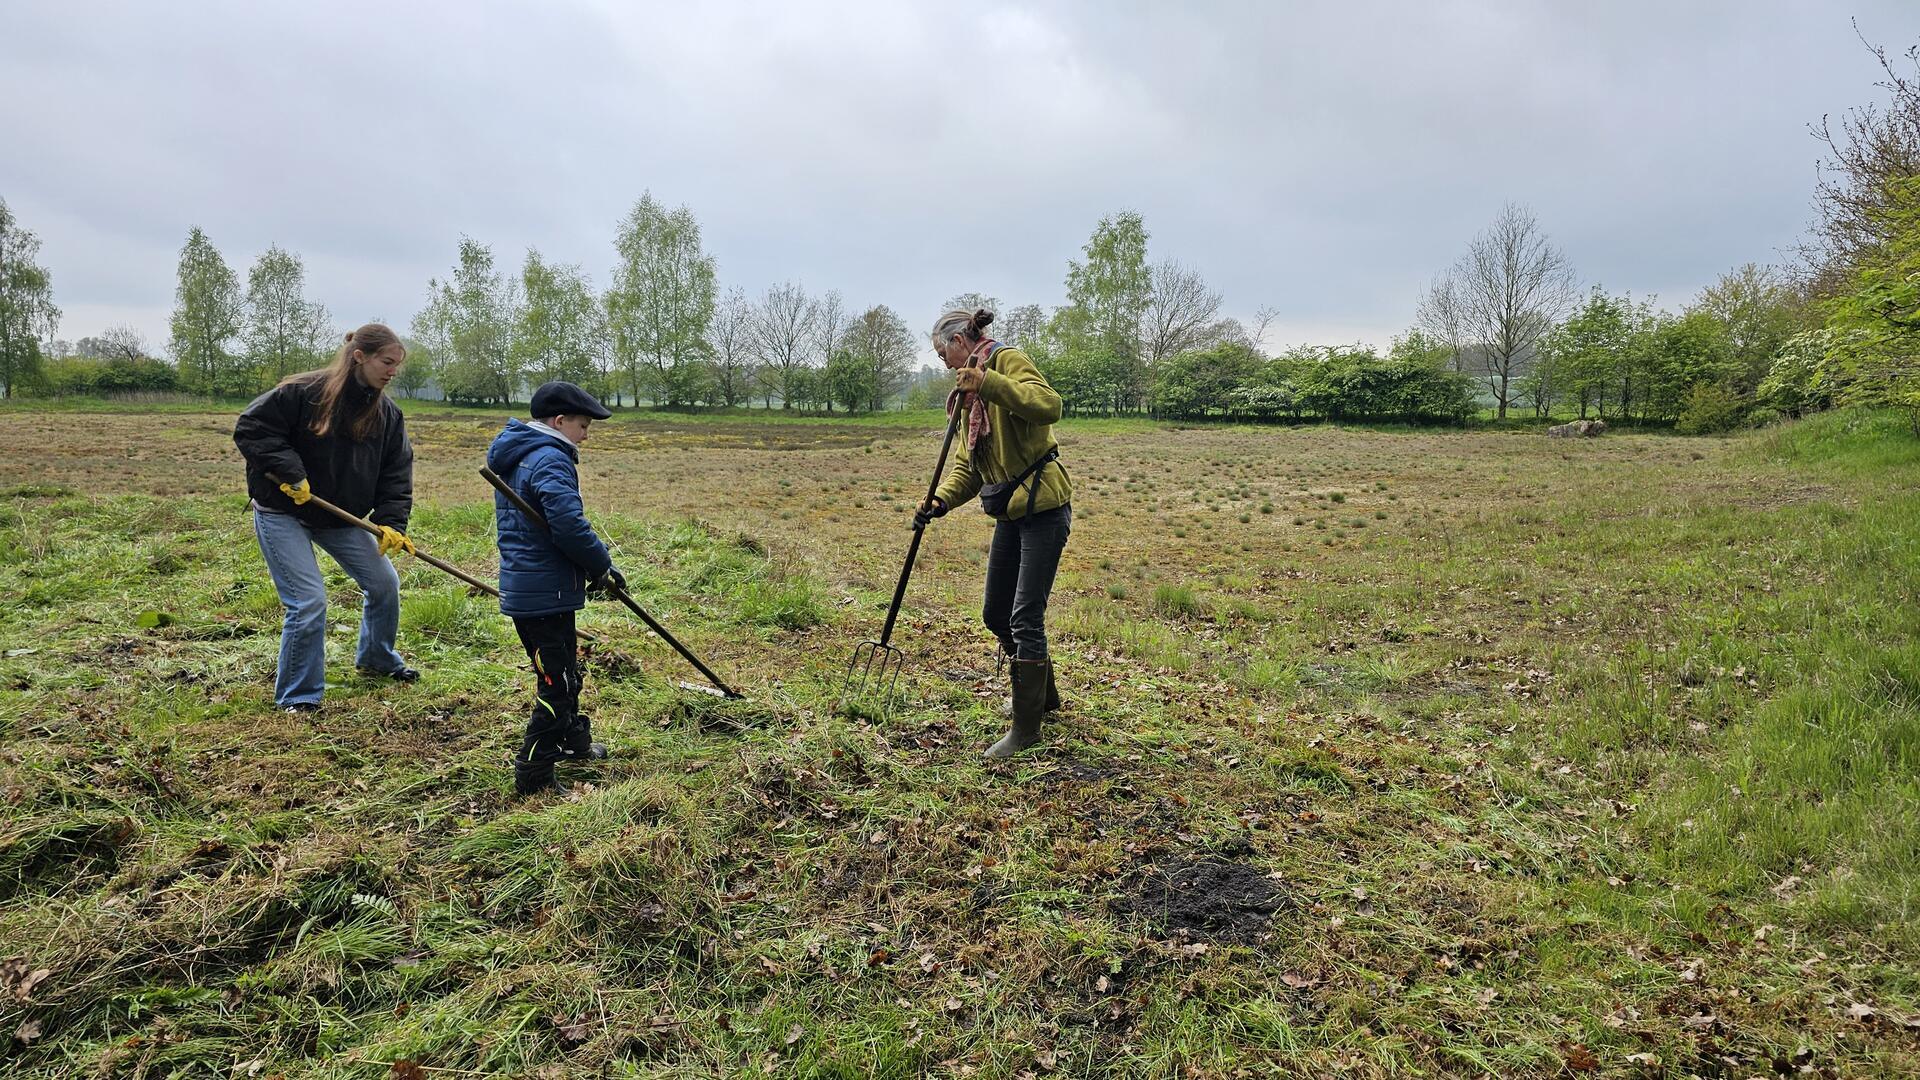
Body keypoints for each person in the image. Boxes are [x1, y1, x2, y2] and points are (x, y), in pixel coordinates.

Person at [233, 323, 418, 713]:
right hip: (283, 510)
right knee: (308, 601)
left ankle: (377, 659)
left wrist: (391, 523)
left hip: (339, 515)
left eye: (396, 365)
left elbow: (396, 473)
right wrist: (290, 472)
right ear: (359, 357)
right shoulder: (302, 393)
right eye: (386, 362)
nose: (392, 372)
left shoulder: (387, 414)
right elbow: (253, 428)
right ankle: (299, 696)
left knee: (384, 583)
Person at [915, 307, 1073, 758]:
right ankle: (1043, 697)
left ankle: (1027, 730)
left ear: (960, 343)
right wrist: (940, 500)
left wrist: (989, 384)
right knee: (995, 613)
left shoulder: (1006, 362)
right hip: (1009, 511)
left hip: (1043, 507)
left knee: (1025, 617)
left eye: (942, 353)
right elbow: (970, 462)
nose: (943, 363)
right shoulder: (967, 392)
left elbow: (1050, 407)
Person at [486, 380, 623, 796]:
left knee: (565, 672)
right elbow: (568, 525)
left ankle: (572, 742)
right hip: (541, 591)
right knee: (556, 684)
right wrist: (601, 566)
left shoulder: (526, 453)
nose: (586, 434)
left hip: (542, 588)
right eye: (583, 425)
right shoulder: (548, 458)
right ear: (559, 421)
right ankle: (535, 773)